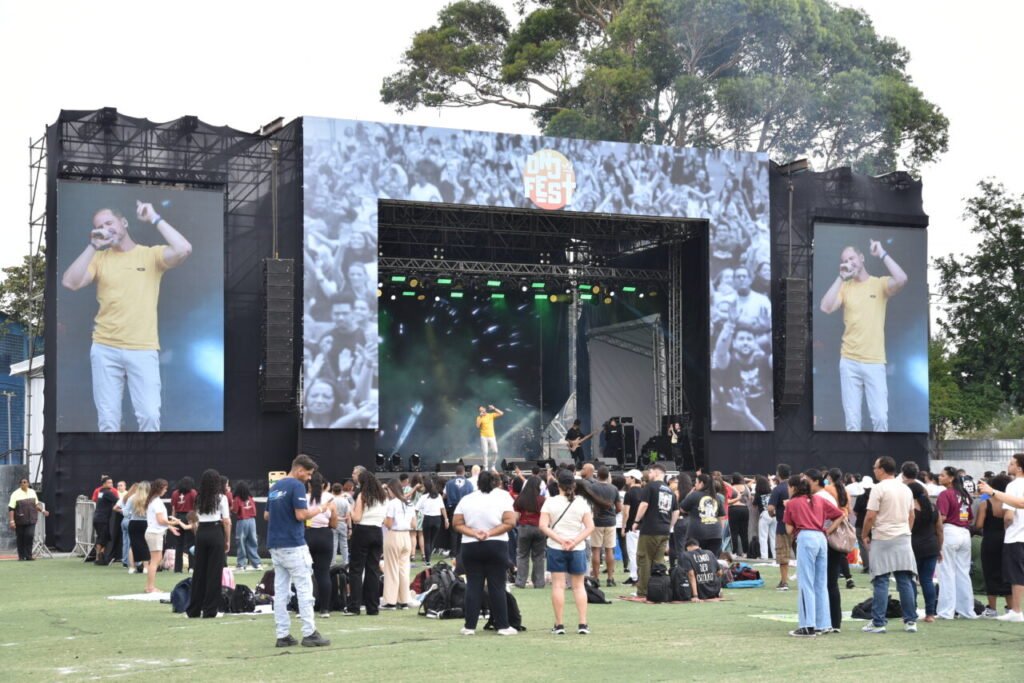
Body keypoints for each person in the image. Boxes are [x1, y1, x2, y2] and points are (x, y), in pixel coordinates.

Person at [60, 201, 193, 432]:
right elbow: (70, 282)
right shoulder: (99, 258)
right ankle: (110, 459)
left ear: (124, 222)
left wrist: (154, 217)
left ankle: (147, 458)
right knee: (108, 420)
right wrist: (93, 245)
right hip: (105, 348)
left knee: (150, 416)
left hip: (143, 347)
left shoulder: (150, 255)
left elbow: (184, 249)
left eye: (109, 223)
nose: (105, 228)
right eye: (99, 226)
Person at [818, 240, 908, 432]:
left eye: (851, 258)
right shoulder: (845, 287)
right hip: (849, 361)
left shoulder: (878, 284)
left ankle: (880, 453)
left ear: (862, 258)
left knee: (880, 418)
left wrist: (882, 252)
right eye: (844, 260)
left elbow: (901, 279)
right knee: (852, 423)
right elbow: (825, 307)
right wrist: (840, 278)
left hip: (874, 361)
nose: (848, 262)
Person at [265, 454, 330, 647]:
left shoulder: (275, 487)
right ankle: (309, 633)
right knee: (304, 589)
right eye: (308, 474)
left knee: (281, 592)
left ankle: (282, 634)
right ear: (299, 470)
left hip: (275, 545)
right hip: (293, 544)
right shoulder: (297, 486)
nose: (309, 478)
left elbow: (267, 515)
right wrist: (321, 509)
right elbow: (301, 515)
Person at [452, 470, 518, 636]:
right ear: (496, 482)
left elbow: (457, 523)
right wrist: (490, 533)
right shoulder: (503, 497)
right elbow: (510, 522)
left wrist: (474, 533)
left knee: (473, 585)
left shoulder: (467, 499)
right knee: (497, 586)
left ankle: (469, 626)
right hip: (496, 545)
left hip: (471, 546)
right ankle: (502, 626)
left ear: (477, 483)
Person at [860, 456, 919, 633]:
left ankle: (879, 622)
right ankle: (910, 621)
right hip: (903, 537)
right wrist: (906, 531)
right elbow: (911, 516)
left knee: (881, 580)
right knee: (905, 580)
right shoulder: (906, 489)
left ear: (882, 469)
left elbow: (870, 516)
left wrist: (864, 534)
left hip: (882, 537)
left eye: (875, 467)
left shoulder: (878, 488)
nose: (874, 470)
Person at [783, 474, 844, 637]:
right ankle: (823, 624)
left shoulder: (792, 503)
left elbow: (789, 530)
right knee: (820, 583)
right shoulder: (819, 499)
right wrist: (828, 531)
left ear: (793, 488)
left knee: (806, 582)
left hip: (806, 537)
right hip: (821, 537)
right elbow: (840, 514)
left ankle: (807, 625)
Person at [540, 470, 595, 635]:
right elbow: (590, 527)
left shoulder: (550, 502)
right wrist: (574, 541)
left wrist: (560, 540)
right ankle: (583, 623)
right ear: (574, 484)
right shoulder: (581, 503)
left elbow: (543, 526)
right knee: (579, 586)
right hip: (577, 548)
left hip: (556, 547)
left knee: (558, 586)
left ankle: (559, 624)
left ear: (558, 484)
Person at [978, 453, 1024, 622]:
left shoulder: (1011, 487)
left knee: (1012, 574)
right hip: (1011, 535)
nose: (1008, 465)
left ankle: (1013, 610)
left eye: (1011, 463)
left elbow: (1009, 514)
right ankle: (1012, 608)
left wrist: (991, 492)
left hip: (1011, 536)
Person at [186, 469, 231, 619]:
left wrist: (198, 534)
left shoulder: (198, 498)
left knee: (199, 572)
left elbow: (195, 519)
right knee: (214, 573)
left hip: (201, 532)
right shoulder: (221, 498)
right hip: (215, 532)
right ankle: (210, 610)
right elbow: (226, 521)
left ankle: (194, 610)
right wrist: (227, 540)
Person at [934, 465, 976, 620]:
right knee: (963, 573)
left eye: (943, 475)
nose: (939, 477)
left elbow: (942, 517)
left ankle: (946, 611)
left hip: (950, 531)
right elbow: (970, 518)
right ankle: (967, 610)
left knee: (946, 572)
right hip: (964, 532)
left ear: (951, 478)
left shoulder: (945, 494)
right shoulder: (964, 494)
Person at [631, 464, 678, 600]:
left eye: (650, 472)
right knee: (658, 562)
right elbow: (676, 512)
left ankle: (643, 591)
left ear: (656, 473)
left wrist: (636, 521)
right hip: (664, 530)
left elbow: (644, 504)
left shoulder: (650, 487)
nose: (648, 475)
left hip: (650, 529)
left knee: (644, 559)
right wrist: (669, 526)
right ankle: (658, 589)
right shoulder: (669, 491)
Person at [344, 470, 387, 617]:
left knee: (356, 570)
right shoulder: (382, 496)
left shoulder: (362, 495)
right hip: (377, 531)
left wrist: (350, 509)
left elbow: (357, 518)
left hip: (363, 531)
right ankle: (372, 607)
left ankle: (354, 606)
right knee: (373, 570)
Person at [975, 473, 1012, 617]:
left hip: (990, 540)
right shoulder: (1010, 502)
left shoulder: (985, 502)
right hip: (1007, 539)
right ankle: (1010, 607)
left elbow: (979, 525)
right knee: (1007, 573)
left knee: (990, 572)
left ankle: (992, 608)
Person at [305, 472, 338, 618]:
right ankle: (325, 609)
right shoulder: (329, 499)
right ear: (324, 484)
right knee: (323, 574)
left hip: (307, 534)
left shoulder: (304, 497)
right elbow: (334, 523)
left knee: (304, 574)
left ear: (309, 484)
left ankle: (303, 608)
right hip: (325, 535)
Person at [907, 481, 941, 623]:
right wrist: (939, 548)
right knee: (927, 580)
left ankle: (911, 612)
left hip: (913, 547)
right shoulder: (933, 507)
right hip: (931, 546)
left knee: (910, 580)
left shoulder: (909, 508)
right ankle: (930, 614)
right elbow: (939, 529)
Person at [382, 479, 416, 610]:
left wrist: (382, 519)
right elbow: (414, 524)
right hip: (406, 536)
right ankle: (404, 600)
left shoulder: (392, 504)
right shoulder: (409, 503)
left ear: (391, 489)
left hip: (394, 535)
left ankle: (390, 601)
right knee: (404, 569)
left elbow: (389, 524)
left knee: (391, 568)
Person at [143, 479, 180, 593]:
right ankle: (150, 587)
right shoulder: (156, 502)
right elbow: (160, 520)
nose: (166, 490)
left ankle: (149, 586)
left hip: (155, 532)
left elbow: (159, 521)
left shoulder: (154, 500)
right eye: (164, 488)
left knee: (155, 560)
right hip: (155, 533)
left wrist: (170, 527)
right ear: (159, 489)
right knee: (155, 561)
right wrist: (173, 523)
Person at [679, 473, 725, 557]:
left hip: (698, 533)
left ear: (701, 483)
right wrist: (720, 532)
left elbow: (682, 508)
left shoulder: (694, 495)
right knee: (712, 559)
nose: (695, 485)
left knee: (695, 558)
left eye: (696, 482)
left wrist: (690, 493)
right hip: (716, 533)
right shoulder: (716, 497)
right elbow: (721, 517)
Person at [588, 466, 621, 587]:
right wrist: (612, 514)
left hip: (596, 521)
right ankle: (610, 578)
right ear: (608, 476)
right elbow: (619, 508)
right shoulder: (614, 488)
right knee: (609, 550)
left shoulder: (592, 487)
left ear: (597, 475)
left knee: (596, 549)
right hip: (610, 521)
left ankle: (596, 578)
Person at [513, 475, 546, 588]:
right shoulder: (542, 500)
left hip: (524, 527)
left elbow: (516, 516)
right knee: (539, 556)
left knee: (522, 555)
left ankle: (520, 581)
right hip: (539, 528)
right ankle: (539, 582)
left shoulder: (520, 498)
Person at [8, 477, 48, 561]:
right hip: (20, 519)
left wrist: (43, 511)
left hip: (31, 519)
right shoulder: (15, 494)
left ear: (28, 483)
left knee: (29, 535)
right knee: (20, 537)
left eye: (25, 482)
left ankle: (29, 556)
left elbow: (36, 505)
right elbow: (11, 508)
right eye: (22, 482)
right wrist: (12, 521)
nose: (24, 484)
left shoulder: (32, 492)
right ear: (20, 484)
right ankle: (21, 556)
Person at [767, 464, 792, 590]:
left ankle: (784, 581)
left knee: (783, 554)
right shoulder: (796, 487)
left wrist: (773, 514)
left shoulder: (778, 489)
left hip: (783, 525)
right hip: (799, 526)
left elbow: (770, 508)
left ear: (778, 474)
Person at [443, 465, 474, 565]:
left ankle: (453, 553)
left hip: (453, 507)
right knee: (463, 530)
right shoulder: (469, 483)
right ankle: (461, 552)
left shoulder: (449, 483)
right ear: (464, 472)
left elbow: (444, 495)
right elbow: (472, 496)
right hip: (465, 508)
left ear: (455, 472)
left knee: (453, 531)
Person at [415, 478, 447, 566]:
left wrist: (414, 519)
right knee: (432, 540)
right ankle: (428, 558)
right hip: (437, 519)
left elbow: (416, 509)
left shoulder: (423, 497)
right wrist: (446, 519)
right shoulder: (438, 496)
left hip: (428, 519)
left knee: (427, 540)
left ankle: (427, 560)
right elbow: (442, 508)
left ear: (426, 487)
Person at [231, 481, 261, 572]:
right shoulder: (250, 498)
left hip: (242, 521)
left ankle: (241, 564)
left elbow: (235, 510)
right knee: (253, 541)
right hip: (252, 521)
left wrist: (230, 507)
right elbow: (254, 510)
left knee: (241, 542)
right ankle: (257, 564)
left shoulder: (237, 499)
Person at [621, 469, 644, 586]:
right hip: (643, 527)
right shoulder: (645, 492)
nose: (626, 479)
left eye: (628, 477)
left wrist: (623, 526)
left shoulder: (629, 493)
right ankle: (638, 575)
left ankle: (635, 576)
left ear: (633, 479)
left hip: (632, 527)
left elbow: (626, 512)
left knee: (633, 552)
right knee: (642, 553)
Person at [171, 477, 197, 573]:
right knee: (191, 544)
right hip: (190, 517)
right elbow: (196, 507)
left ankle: (178, 568)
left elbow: (173, 509)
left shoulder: (175, 493)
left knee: (179, 544)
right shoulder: (193, 492)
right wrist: (195, 520)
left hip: (178, 518)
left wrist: (173, 521)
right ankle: (192, 567)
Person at [92, 477, 120, 565]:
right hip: (102, 519)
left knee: (103, 537)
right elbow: (118, 501)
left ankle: (101, 557)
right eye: (109, 483)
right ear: (103, 484)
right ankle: (98, 558)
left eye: (111, 482)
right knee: (102, 538)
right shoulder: (107, 493)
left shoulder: (101, 492)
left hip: (98, 518)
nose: (111, 484)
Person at [126, 481, 150, 574]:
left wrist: (131, 515)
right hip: (146, 523)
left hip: (133, 523)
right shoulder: (150, 499)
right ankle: (146, 568)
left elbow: (125, 512)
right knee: (145, 545)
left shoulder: (132, 498)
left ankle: (132, 567)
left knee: (133, 545)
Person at [727, 473, 751, 557]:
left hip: (733, 509)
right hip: (744, 509)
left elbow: (727, 500)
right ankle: (745, 552)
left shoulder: (731, 487)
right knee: (744, 532)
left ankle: (734, 552)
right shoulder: (746, 487)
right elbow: (749, 497)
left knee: (734, 532)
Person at [753, 475, 775, 560]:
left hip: (764, 514)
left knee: (763, 537)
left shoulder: (758, 494)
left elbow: (754, 505)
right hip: (773, 514)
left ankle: (764, 556)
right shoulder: (772, 492)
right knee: (773, 536)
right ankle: (775, 556)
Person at [476, 404, 504, 469]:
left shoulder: (490, 415)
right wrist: (480, 417)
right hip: (483, 437)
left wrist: (494, 408)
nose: (482, 411)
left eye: (482, 409)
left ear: (485, 409)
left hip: (492, 436)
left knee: (495, 451)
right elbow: (477, 426)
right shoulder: (479, 417)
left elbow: (501, 413)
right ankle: (485, 467)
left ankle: (493, 465)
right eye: (480, 411)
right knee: (485, 452)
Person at [330, 482, 351, 566]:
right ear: (341, 491)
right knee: (344, 544)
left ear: (332, 490)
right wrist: (350, 528)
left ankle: (332, 562)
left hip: (333, 523)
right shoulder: (345, 501)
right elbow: (348, 516)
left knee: (333, 544)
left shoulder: (331, 501)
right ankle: (346, 562)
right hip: (343, 524)